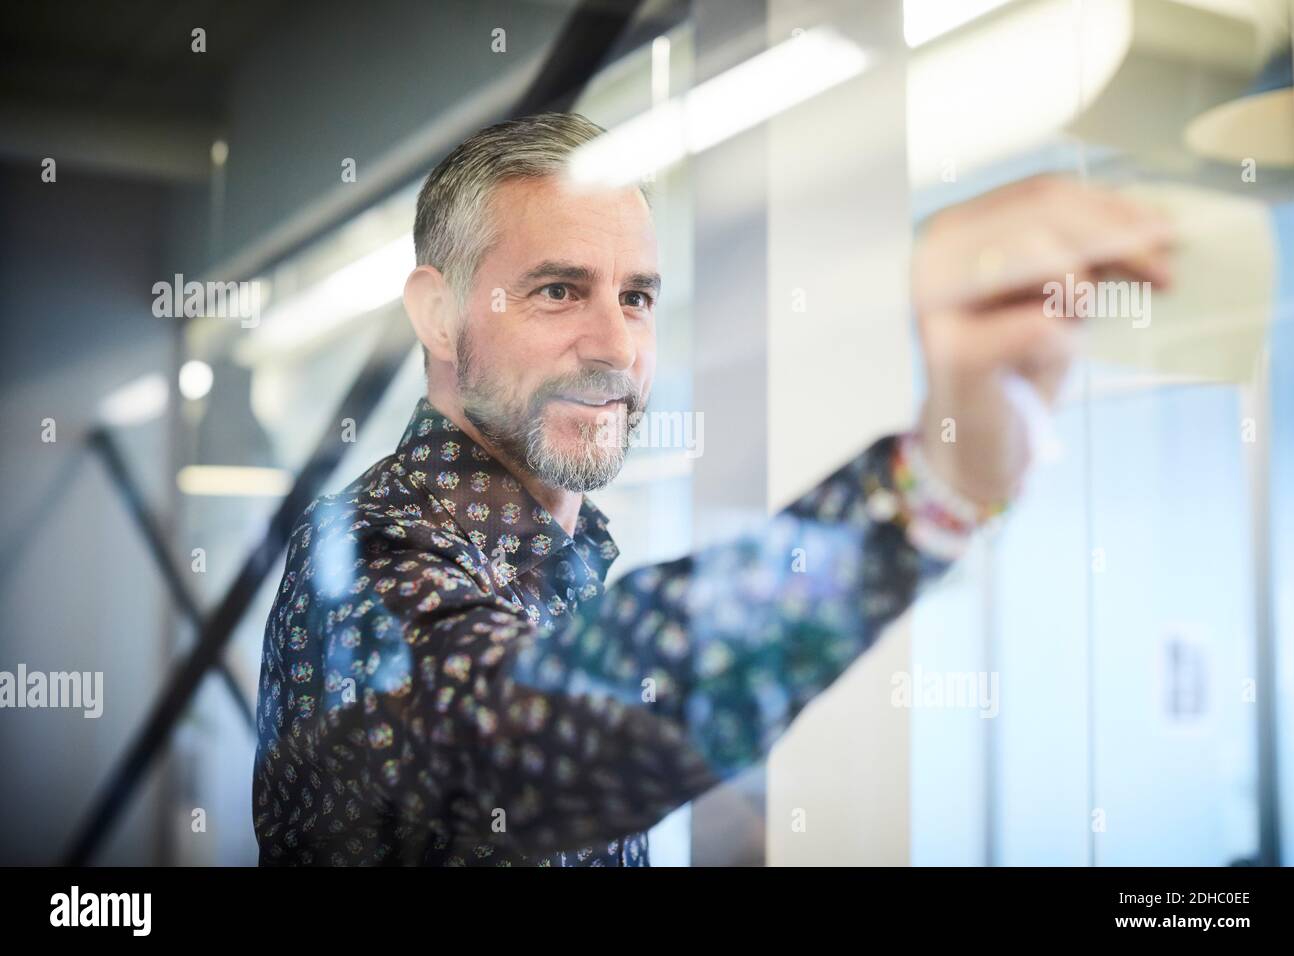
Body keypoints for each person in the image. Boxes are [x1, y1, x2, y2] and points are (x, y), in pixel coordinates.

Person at [252, 112, 1172, 866]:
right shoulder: (370, 553)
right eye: (559, 291)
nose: (618, 347)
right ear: (439, 312)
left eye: (638, 297)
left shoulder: (554, 560)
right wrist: (931, 487)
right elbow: (530, 735)